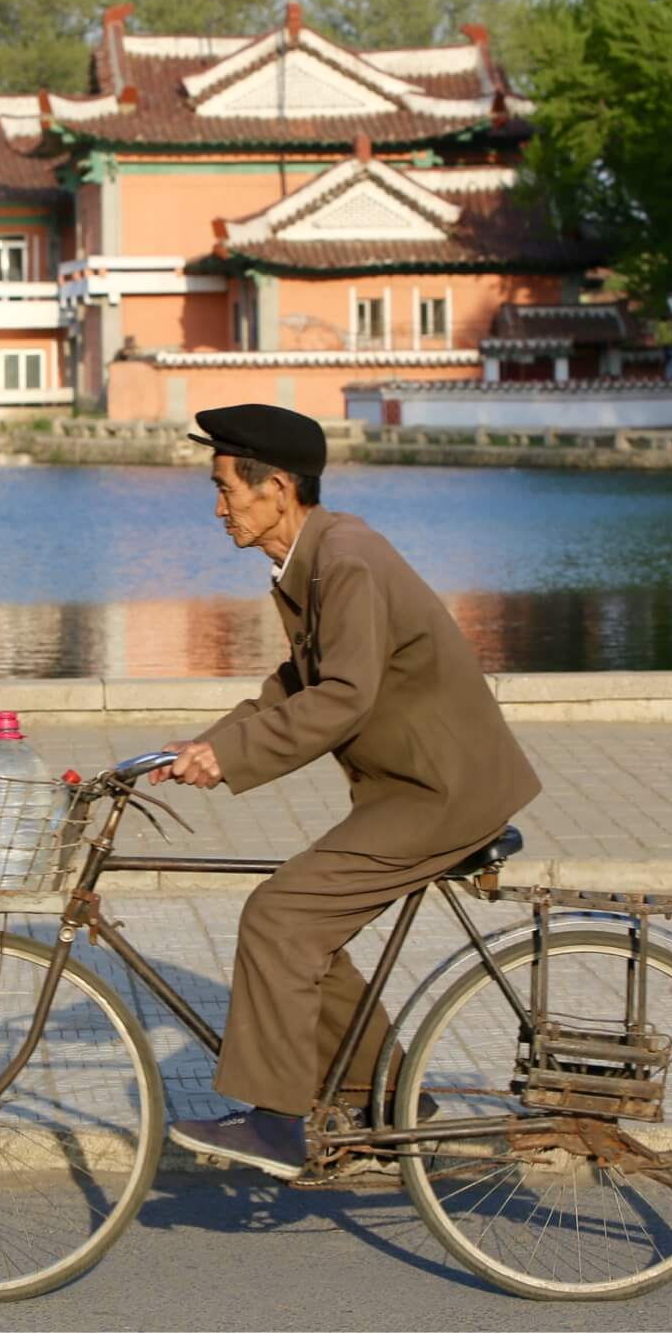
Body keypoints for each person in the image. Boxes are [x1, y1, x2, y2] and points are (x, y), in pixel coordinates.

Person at [152, 403, 541, 1179]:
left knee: (280, 915)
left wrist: (228, 761)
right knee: (304, 923)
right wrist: (206, 746)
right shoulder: (315, 561)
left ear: (279, 488)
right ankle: (388, 1092)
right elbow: (295, 684)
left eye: (227, 487)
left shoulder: (346, 559)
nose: (218, 504)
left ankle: (275, 1122)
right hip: (412, 788)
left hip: (442, 792)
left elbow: (343, 698)